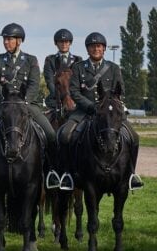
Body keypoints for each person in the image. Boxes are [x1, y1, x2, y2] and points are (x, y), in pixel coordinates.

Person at [0, 23, 58, 187]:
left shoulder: (31, 60)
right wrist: (6, 99)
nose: (6, 42)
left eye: (9, 39)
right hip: (4, 105)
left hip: (27, 105)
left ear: (19, 41)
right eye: (5, 39)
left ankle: (52, 171)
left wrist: (24, 101)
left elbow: (34, 84)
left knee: (50, 134)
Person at [58, 32, 143, 190]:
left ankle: (131, 174)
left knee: (134, 137)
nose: (95, 49)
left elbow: (120, 91)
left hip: (109, 113)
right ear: (87, 49)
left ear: (104, 49)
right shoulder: (78, 67)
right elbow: (74, 92)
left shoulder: (113, 68)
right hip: (84, 111)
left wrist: (108, 105)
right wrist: (91, 106)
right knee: (65, 135)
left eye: (98, 46)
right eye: (92, 46)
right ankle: (68, 174)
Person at [43, 29, 81, 113]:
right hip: (56, 97)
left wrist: (73, 95)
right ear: (56, 43)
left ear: (70, 43)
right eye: (61, 42)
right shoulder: (50, 60)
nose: (64, 44)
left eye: (66, 42)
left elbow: (80, 80)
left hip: (74, 96)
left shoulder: (78, 60)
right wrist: (59, 96)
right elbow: (49, 80)